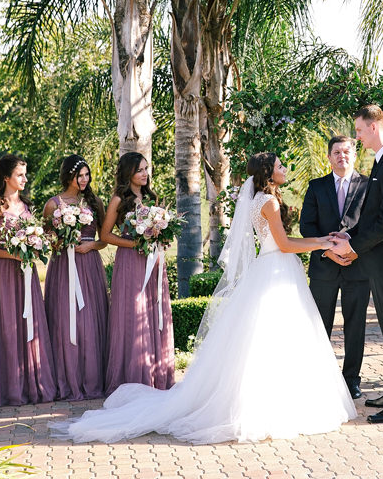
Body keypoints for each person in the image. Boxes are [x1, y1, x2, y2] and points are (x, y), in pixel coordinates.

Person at [50, 152, 355, 444]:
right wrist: (323, 242)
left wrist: (322, 243)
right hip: (277, 267)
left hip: (273, 270)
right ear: (268, 173)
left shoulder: (260, 200)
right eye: (280, 165)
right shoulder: (269, 203)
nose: (284, 168)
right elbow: (285, 245)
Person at [330, 105, 383, 424]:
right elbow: (373, 217)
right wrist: (348, 233)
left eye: (360, 131)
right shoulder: (382, 161)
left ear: (376, 127)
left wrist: (352, 245)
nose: (357, 137)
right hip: (378, 261)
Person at [0, 153, 57, 407]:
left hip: (26, 274)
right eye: (20, 175)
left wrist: (35, 248)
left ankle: (30, 385)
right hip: (2, 274)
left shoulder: (27, 207)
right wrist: (12, 255)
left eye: (25, 174)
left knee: (28, 326)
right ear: (6, 178)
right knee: (4, 327)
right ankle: (6, 390)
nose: (25, 179)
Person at [299, 135, 370, 399]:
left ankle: (351, 380)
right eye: (337, 152)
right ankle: (318, 378)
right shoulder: (316, 187)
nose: (342, 156)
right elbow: (306, 225)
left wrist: (352, 250)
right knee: (319, 325)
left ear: (354, 155)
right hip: (323, 268)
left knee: (355, 326)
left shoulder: (368, 186)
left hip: (358, 266)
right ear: (328, 157)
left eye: (347, 151)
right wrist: (329, 251)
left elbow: (372, 225)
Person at [102, 152, 175, 394]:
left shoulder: (151, 198)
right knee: (134, 312)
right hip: (130, 262)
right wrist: (134, 244)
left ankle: (156, 373)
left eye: (146, 169)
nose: (145, 174)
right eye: (140, 170)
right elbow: (105, 235)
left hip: (153, 262)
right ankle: (133, 376)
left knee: (153, 312)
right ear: (128, 173)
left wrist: (161, 236)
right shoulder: (118, 200)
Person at [43, 154, 109, 401]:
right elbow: (46, 239)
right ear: (68, 176)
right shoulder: (53, 204)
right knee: (65, 319)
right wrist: (63, 242)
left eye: (86, 175)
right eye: (79, 175)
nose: (84, 179)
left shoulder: (94, 202)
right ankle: (67, 378)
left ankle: (92, 378)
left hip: (89, 265)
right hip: (63, 266)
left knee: (89, 320)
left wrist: (90, 247)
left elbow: (105, 238)